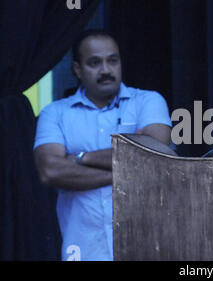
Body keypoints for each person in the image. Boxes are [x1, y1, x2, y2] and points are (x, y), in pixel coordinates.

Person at [33, 29, 172, 261]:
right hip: (83, 247)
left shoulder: (147, 101)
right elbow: (50, 171)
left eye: (112, 61)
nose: (106, 70)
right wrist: (131, 169)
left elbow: (155, 152)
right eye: (95, 63)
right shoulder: (54, 113)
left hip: (145, 245)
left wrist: (80, 158)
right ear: (77, 69)